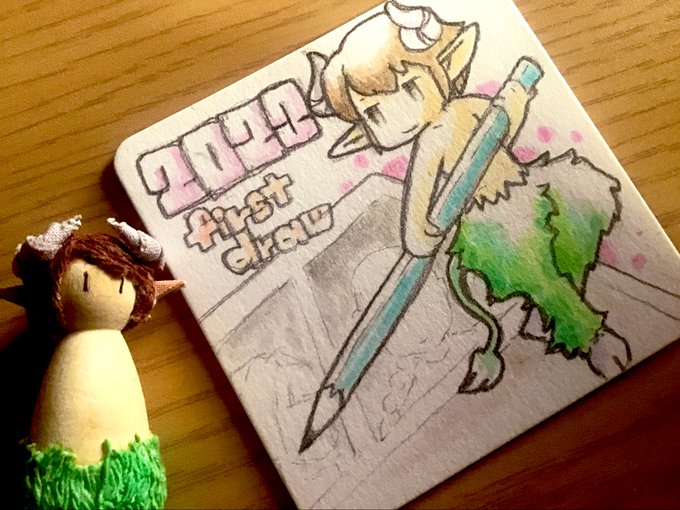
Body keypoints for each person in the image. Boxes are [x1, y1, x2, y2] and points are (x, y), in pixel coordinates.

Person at [307, 1, 631, 390]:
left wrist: (516, 96)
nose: (402, 110)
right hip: (491, 226)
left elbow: (504, 127)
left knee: (588, 201)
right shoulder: (430, 143)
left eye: (411, 87)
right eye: (375, 114)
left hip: (528, 188)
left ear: (437, 71)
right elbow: (417, 215)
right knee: (535, 266)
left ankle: (549, 311)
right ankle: (587, 335)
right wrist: (422, 235)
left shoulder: (469, 107)